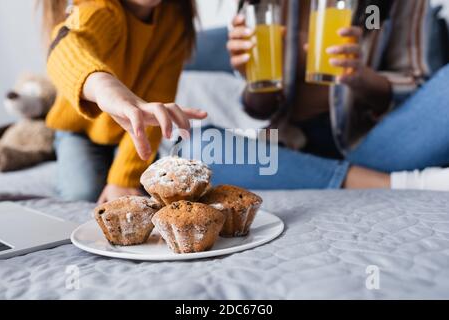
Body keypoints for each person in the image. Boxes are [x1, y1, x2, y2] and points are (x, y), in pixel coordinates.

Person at [197, 0, 449, 191]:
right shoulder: (260, 5)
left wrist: (361, 78)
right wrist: (256, 82)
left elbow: (418, 90)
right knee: (198, 148)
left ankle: (333, 178)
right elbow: (259, 108)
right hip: (291, 150)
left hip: (376, 142)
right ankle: (389, 184)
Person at [40, 0, 207, 203]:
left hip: (132, 132)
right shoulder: (99, 9)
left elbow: (156, 109)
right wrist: (104, 87)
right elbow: (65, 47)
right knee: (83, 194)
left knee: (147, 192)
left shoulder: (174, 23)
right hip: (79, 130)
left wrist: (123, 180)